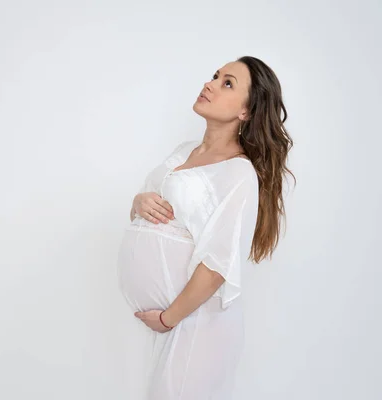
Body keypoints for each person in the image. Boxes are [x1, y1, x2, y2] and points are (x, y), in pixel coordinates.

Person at [116, 56, 295, 400]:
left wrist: (169, 318)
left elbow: (218, 264)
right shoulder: (182, 152)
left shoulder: (238, 172)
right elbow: (149, 213)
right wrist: (138, 202)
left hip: (196, 323)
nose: (210, 83)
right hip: (161, 326)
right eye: (215, 76)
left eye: (228, 83)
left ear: (246, 111)